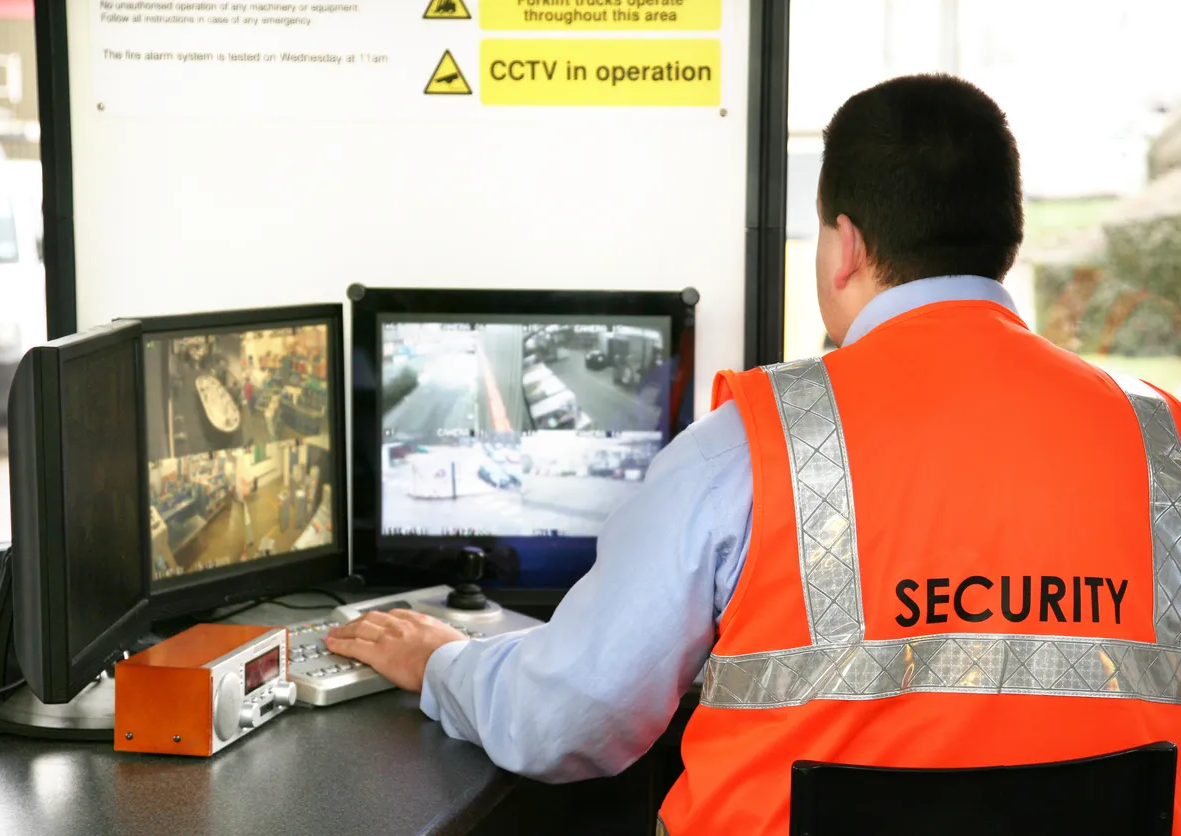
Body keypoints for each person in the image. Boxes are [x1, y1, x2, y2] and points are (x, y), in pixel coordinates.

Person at [326, 74, 1181, 833]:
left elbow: (565, 723)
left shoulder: (746, 448)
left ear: (846, 246)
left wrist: (440, 661)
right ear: (1007, 243)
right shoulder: (1162, 438)